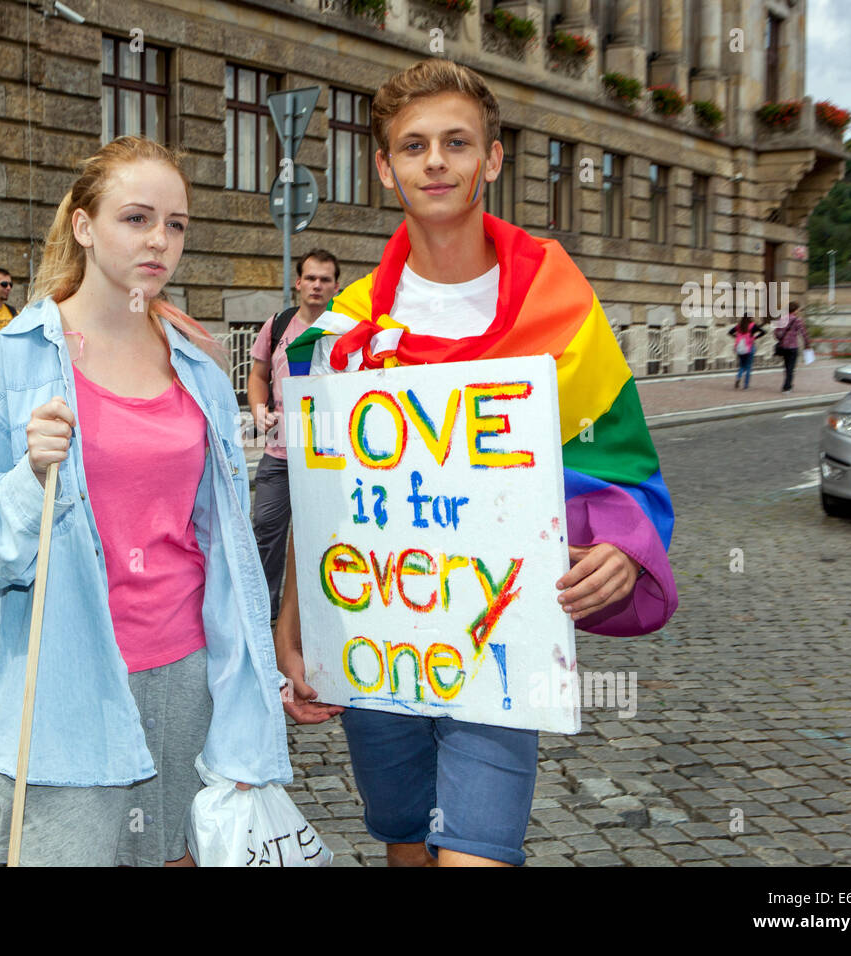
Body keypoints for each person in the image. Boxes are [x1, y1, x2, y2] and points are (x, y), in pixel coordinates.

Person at [275, 59, 679, 868]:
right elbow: (323, 500)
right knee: (404, 843)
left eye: (457, 142)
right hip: (379, 636)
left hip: (504, 646)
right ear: (385, 167)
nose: (436, 161)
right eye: (414, 145)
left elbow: (619, 463)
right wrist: (294, 626)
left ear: (491, 159)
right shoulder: (345, 331)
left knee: (477, 853)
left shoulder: (557, 305)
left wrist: (624, 553)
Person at [0, 136, 290, 867]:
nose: (160, 239)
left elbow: (225, 543)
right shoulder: (16, 359)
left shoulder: (198, 367)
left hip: (187, 678)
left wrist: (262, 669)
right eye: (137, 218)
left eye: (177, 223)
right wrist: (29, 481)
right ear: (84, 226)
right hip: (65, 686)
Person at [248, 249, 341, 619]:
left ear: (336, 285)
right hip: (280, 451)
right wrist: (258, 410)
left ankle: (317, 618)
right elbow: (257, 376)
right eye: (311, 278)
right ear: (298, 282)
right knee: (266, 533)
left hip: (328, 456)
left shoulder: (344, 329)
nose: (317, 285)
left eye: (326, 279)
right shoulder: (278, 324)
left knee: (323, 538)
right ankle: (264, 616)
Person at [773, 300, 810, 392]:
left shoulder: (782, 319)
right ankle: (787, 386)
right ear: (795, 310)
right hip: (793, 346)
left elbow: (776, 332)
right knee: (791, 367)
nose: (798, 311)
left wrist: (780, 339)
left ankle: (787, 384)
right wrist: (807, 343)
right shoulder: (798, 320)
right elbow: (803, 333)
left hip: (783, 346)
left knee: (786, 367)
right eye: (798, 309)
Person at [728, 311, 765, 389]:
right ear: (751, 318)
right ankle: (746, 385)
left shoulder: (739, 326)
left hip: (740, 347)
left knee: (742, 365)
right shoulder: (753, 325)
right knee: (748, 366)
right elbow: (763, 332)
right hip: (750, 347)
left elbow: (730, 332)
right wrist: (754, 337)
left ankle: (738, 377)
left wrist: (737, 337)